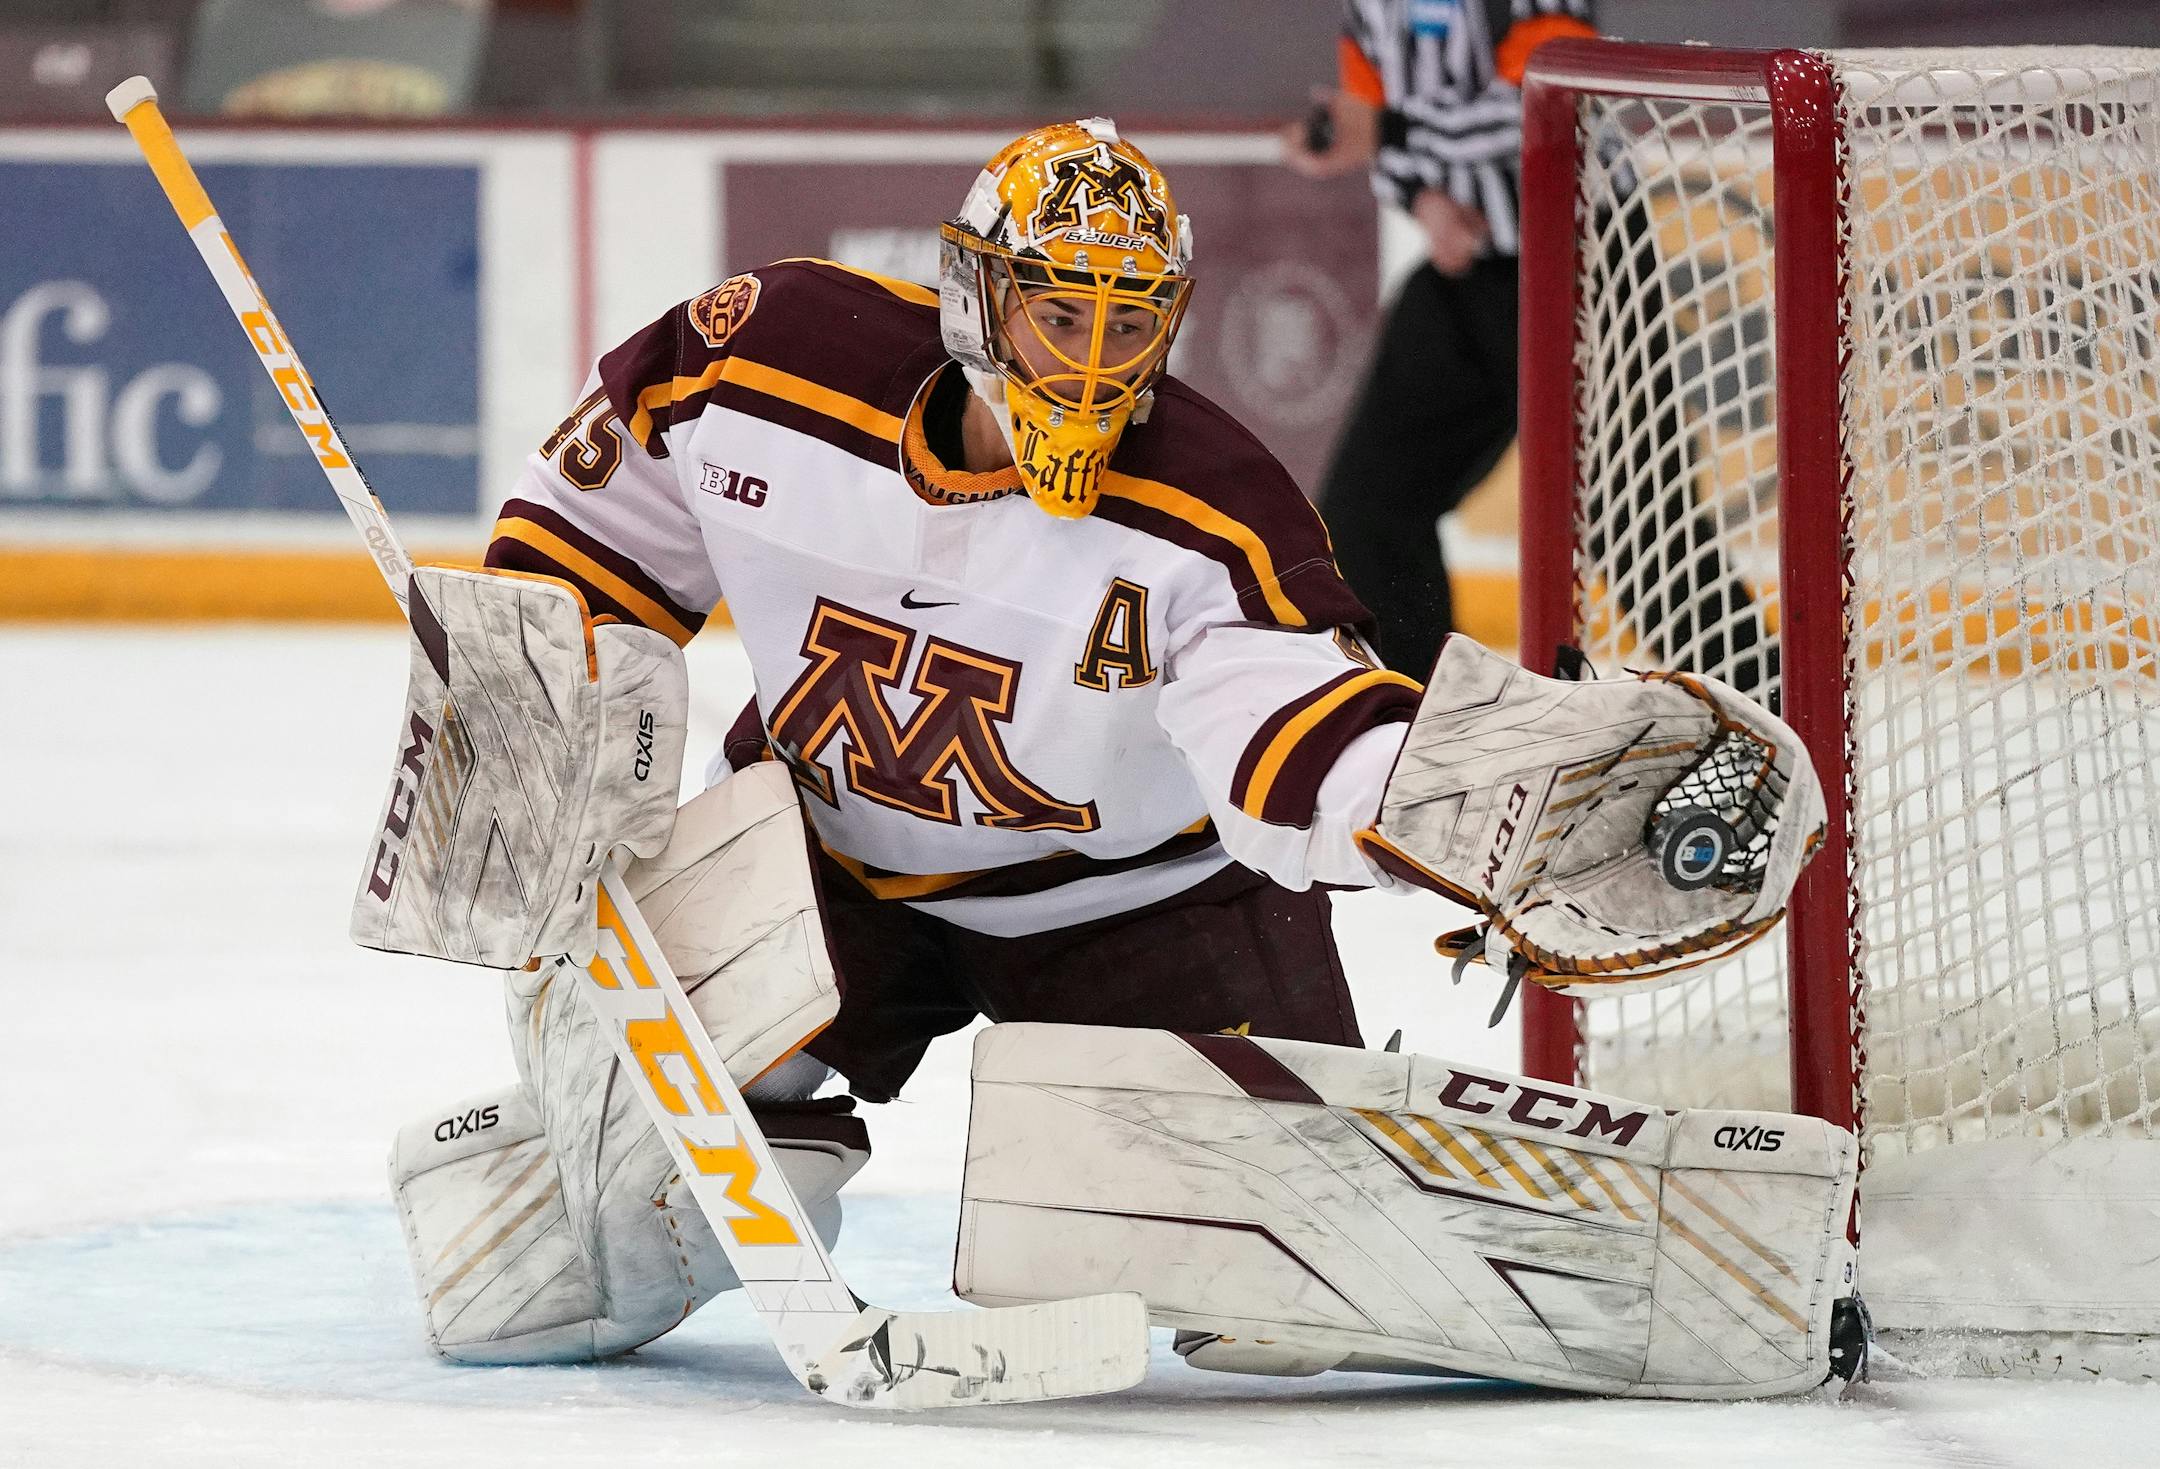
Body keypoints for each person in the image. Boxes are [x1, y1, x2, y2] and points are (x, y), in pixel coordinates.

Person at [367, 117, 1829, 1386]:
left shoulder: (1215, 511)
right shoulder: (766, 362)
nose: (1094, 357)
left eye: (1131, 321)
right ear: (972, 296)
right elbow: (599, 522)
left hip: (1142, 914)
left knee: (1276, 1296)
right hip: (819, 876)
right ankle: (617, 1134)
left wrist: (1494, 808)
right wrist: (532, 718)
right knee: (620, 1233)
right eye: (1058, 314)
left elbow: (1299, 745)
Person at [1286, 0, 1596, 680]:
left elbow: (1549, 102)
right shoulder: (1369, 8)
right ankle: (1427, 714)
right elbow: (1372, 126)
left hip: (1583, 264)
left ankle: (1772, 707)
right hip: (1465, 278)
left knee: (1636, 528)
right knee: (1370, 512)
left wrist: (1389, 129)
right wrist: (1424, 198)